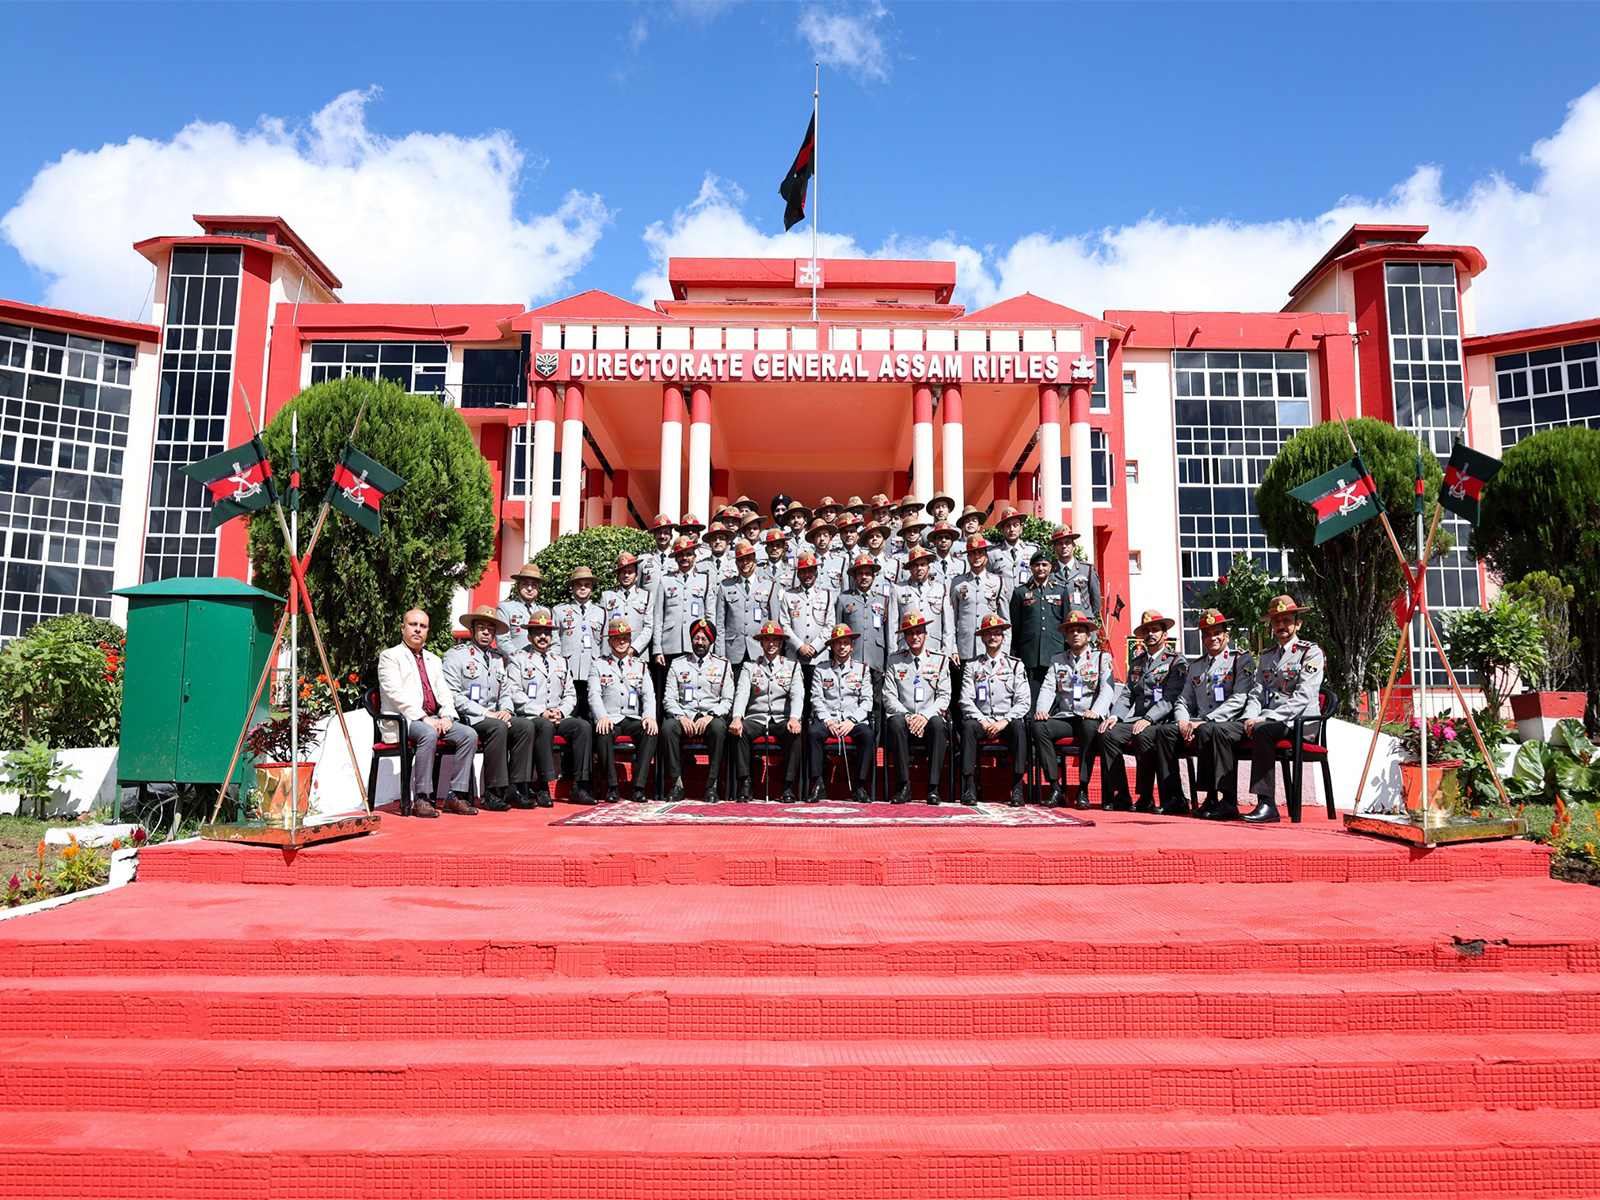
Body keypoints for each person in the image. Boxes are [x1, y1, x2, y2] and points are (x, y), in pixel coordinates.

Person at [1152, 608, 1259, 817]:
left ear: (1227, 635)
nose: (1212, 638)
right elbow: (1183, 699)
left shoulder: (1240, 659)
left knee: (1206, 730)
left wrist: (1207, 720)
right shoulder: (1196, 665)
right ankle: (1174, 797)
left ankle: (1215, 798)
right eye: (1207, 634)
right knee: (1165, 732)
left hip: (1229, 722)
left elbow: (1240, 698)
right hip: (1199, 722)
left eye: (1217, 633)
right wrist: (1182, 721)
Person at [376, 608, 479, 818]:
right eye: (413, 625)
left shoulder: (434, 660)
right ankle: (421, 798)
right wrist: (424, 718)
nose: (417, 630)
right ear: (403, 628)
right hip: (404, 720)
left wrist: (447, 716)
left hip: (433, 719)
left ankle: (455, 796)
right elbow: (395, 694)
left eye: (422, 626)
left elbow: (444, 692)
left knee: (468, 734)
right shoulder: (390, 656)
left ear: (427, 631)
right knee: (428, 733)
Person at [1240, 595, 1326, 824]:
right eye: (1277, 621)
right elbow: (1257, 692)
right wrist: (1249, 716)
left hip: (1300, 723)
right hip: (1273, 722)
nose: (1281, 626)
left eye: (1287, 620)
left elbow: (1303, 696)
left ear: (1298, 624)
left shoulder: (1310, 652)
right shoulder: (1267, 656)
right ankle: (1223, 802)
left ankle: (1267, 805)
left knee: (1262, 731)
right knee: (1230, 731)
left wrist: (1267, 718)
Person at [442, 605, 536, 812]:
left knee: (525, 726)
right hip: (469, 717)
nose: (486, 632)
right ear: (471, 630)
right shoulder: (456, 655)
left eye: (490, 629)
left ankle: (514, 788)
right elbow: (453, 694)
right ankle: (492, 792)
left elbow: (506, 691)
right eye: (481, 627)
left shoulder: (498, 658)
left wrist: (507, 711)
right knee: (497, 727)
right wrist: (486, 713)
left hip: (495, 715)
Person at [1098, 609, 1185, 813]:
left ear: (1165, 634)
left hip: (1163, 721)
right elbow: (1127, 694)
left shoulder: (1176, 661)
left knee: (1142, 734)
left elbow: (1171, 697)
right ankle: (1121, 794)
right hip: (1138, 719)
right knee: (1107, 733)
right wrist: (1114, 716)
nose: (1150, 634)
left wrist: (1148, 719)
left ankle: (1145, 796)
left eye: (1155, 630)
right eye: (1146, 631)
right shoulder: (1138, 662)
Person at [508, 607, 596, 807]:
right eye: (538, 632)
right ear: (529, 636)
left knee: (583, 727)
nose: (542, 637)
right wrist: (541, 712)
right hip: (532, 716)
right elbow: (514, 692)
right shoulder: (518, 659)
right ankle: (543, 787)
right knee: (545, 726)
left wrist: (561, 712)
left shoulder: (561, 661)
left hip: (557, 715)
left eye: (546, 633)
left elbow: (570, 693)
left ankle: (579, 786)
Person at [1032, 609, 1118, 809]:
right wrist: (1042, 709)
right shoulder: (1058, 660)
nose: (1076, 634)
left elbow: (1108, 689)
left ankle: (1083, 789)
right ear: (1067, 636)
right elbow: (1047, 688)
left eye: (1080, 630)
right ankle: (1055, 788)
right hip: (1066, 717)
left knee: (1090, 727)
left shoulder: (1100, 658)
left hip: (1089, 717)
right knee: (1039, 727)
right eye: (1071, 631)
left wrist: (1096, 711)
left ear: (1088, 635)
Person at [958, 613, 1031, 807]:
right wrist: (983, 721)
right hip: (981, 720)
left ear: (1003, 637)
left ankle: (1017, 788)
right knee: (968, 727)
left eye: (997, 633)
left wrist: (1004, 721)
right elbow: (966, 700)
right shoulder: (972, 666)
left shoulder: (1015, 665)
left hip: (1005, 720)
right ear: (982, 637)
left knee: (1019, 728)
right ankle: (969, 787)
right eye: (988, 633)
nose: (993, 637)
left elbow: (1023, 701)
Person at [661, 618, 734, 801]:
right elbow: (669, 698)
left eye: (704, 639)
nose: (700, 642)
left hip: (710, 717)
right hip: (685, 715)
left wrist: (711, 715)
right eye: (696, 638)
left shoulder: (723, 665)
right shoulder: (677, 664)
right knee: (668, 727)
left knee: (719, 728)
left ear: (711, 641)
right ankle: (677, 784)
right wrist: (681, 716)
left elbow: (727, 700)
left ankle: (712, 785)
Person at [883, 610, 952, 805]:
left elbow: (944, 696)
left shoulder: (939, 659)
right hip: (904, 717)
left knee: (938, 724)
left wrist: (924, 716)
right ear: (904, 637)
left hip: (929, 717)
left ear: (925, 634)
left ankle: (933, 787)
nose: (915, 637)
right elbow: (889, 696)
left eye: (919, 632)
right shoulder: (894, 660)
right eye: (910, 633)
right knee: (895, 723)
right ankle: (903, 785)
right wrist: (908, 716)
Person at [731, 620, 804, 801]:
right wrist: (737, 717)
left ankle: (787, 786)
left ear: (781, 642)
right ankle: (746, 784)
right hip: (756, 717)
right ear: (761, 642)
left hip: (781, 718)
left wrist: (794, 717)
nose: (771, 644)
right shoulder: (750, 667)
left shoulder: (792, 666)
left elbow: (797, 695)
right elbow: (742, 693)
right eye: (767, 640)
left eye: (775, 640)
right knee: (738, 731)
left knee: (794, 733)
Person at [589, 616, 659, 802]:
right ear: (609, 641)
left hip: (632, 718)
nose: (622, 642)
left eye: (625, 638)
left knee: (650, 731)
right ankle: (612, 787)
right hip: (610, 718)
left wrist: (649, 717)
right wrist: (601, 717)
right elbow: (594, 694)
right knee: (602, 732)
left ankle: (639, 787)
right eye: (617, 639)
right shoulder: (598, 664)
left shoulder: (640, 666)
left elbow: (649, 695)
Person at [806, 623, 877, 803]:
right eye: (838, 643)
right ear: (832, 646)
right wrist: (828, 721)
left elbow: (867, 701)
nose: (842, 647)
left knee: (868, 735)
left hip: (852, 721)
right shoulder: (821, 669)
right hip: (829, 719)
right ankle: (818, 783)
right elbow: (817, 699)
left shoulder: (862, 669)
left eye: (846, 642)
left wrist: (852, 721)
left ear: (852, 645)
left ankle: (859, 785)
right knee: (813, 732)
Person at [1009, 550, 1068, 704]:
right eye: (1037, 565)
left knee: (1055, 696)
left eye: (1044, 565)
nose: (1040, 568)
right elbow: (1016, 626)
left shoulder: (1061, 591)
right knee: (1031, 697)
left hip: (1055, 651)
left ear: (1050, 567)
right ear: (1031, 567)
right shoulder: (1020, 592)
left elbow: (1066, 624)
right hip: (1030, 653)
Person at [652, 535, 714, 672]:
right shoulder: (665, 580)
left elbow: (710, 616)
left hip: (697, 644)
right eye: (680, 555)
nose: (684, 558)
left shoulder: (704, 580)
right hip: (670, 644)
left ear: (695, 557)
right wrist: (657, 649)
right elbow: (658, 617)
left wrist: (711, 645)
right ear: (675, 558)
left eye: (688, 554)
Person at [553, 565, 607, 718]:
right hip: (568, 669)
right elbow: (554, 642)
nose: (583, 588)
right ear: (572, 587)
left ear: (592, 587)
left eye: (587, 584)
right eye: (579, 584)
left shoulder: (601, 612)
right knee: (567, 713)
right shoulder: (559, 611)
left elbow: (605, 644)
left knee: (590, 714)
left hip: (592, 669)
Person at [889, 546, 954, 660]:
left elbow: (948, 625)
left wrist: (946, 654)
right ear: (910, 568)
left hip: (934, 649)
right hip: (906, 649)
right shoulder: (898, 589)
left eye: (923, 564)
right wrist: (893, 654)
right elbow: (892, 624)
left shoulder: (941, 589)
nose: (919, 568)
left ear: (929, 567)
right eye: (915, 565)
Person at [780, 551, 836, 672]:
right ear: (798, 574)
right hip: (794, 656)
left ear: (816, 573)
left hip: (819, 656)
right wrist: (799, 647)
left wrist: (814, 647)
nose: (807, 575)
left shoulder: (826, 595)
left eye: (811, 571)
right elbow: (784, 626)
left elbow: (830, 625)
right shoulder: (788, 595)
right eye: (803, 571)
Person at [715, 538, 763, 665]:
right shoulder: (726, 586)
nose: (745, 563)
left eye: (748, 559)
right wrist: (720, 653)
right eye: (741, 559)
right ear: (736, 563)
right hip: (733, 650)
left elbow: (773, 622)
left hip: (759, 649)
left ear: (755, 560)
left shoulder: (768, 585)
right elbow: (720, 623)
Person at [601, 553, 654, 659]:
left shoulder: (646, 596)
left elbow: (648, 627)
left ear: (637, 576)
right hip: (612, 654)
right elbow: (604, 628)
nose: (626, 575)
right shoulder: (607, 596)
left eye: (630, 572)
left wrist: (634, 649)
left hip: (638, 654)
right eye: (623, 572)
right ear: (618, 575)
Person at [1048, 525, 1102, 619]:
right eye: (1060, 543)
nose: (1064, 546)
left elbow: (1096, 602)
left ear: (1074, 546)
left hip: (1083, 622)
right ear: (1054, 549)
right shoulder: (1049, 572)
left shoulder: (1087, 570)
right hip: (1059, 622)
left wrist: (1086, 616)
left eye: (1067, 543)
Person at [988, 506, 1039, 599]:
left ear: (1021, 529)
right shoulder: (993, 553)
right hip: (1003, 603)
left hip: (1027, 601)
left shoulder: (1033, 551)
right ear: (1003, 530)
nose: (1011, 529)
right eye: (1008, 526)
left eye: (1015, 525)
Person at [496, 562, 542, 656]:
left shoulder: (545, 612)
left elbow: (555, 643)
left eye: (534, 584)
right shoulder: (505, 608)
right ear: (518, 586)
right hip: (515, 662)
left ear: (538, 589)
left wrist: (548, 659)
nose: (529, 588)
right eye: (525, 584)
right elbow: (502, 640)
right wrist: (520, 658)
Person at [638, 515, 678, 592]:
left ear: (671, 536)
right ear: (654, 536)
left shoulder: (677, 558)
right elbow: (637, 588)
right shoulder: (643, 559)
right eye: (659, 532)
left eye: (666, 532)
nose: (662, 536)